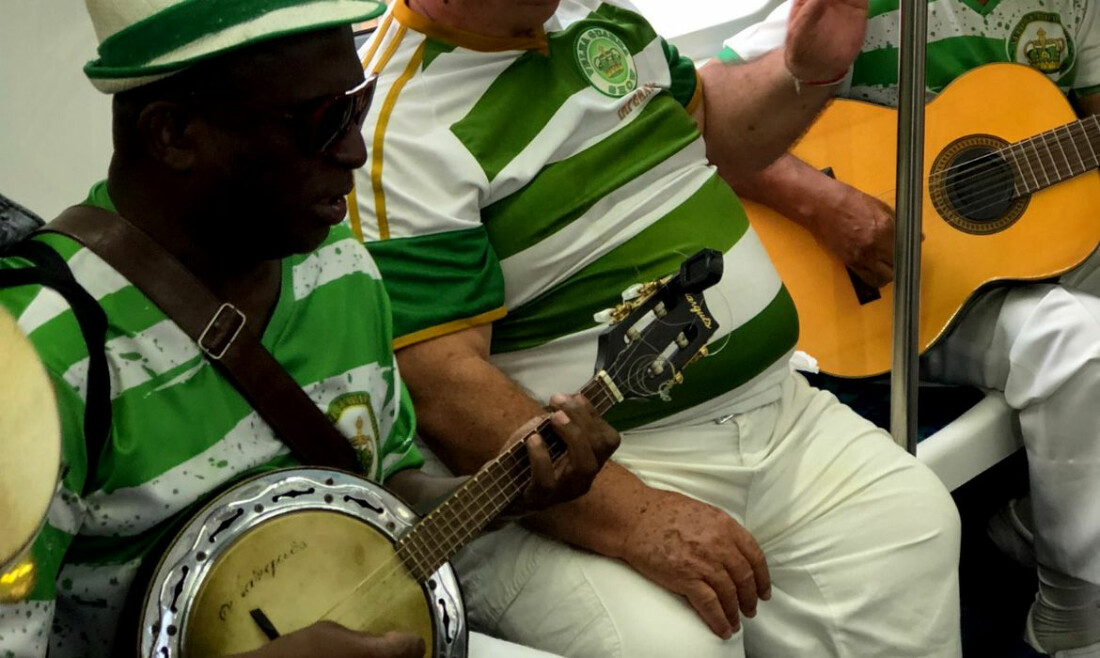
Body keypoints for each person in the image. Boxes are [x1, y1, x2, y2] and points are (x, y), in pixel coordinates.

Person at [0, 1, 621, 656]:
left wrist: (508, 486)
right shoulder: (37, 363)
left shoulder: (338, 266)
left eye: (359, 104)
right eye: (323, 122)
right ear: (174, 134)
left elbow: (377, 492)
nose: (356, 149)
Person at [351, 0, 963, 656]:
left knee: (912, 520)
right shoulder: (395, 122)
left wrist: (803, 72)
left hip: (777, 413)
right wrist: (635, 515)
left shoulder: (600, 19)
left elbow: (717, 131)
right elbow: (441, 388)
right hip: (588, 479)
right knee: (670, 648)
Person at [722, 1, 1100, 655]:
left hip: (1035, 250)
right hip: (903, 291)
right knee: (1077, 342)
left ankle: (1039, 522)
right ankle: (1073, 608)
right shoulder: (853, 8)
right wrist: (823, 203)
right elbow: (693, 120)